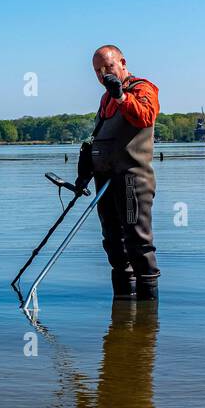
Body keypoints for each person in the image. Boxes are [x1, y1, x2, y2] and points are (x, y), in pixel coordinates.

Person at [73, 45, 161, 301]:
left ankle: (145, 319)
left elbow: (145, 117)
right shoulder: (106, 98)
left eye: (108, 67)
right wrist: (85, 170)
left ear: (122, 62)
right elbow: (97, 137)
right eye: (97, 71)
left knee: (137, 242)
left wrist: (121, 96)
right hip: (106, 181)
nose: (103, 75)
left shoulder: (144, 88)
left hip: (132, 180)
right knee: (113, 243)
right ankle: (123, 302)